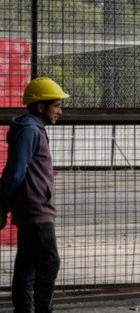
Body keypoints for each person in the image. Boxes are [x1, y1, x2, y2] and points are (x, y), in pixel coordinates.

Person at [0, 77, 69, 313]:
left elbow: (20, 170)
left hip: (32, 208)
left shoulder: (31, 129)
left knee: (27, 266)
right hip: (36, 210)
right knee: (50, 262)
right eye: (57, 105)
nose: (60, 111)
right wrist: (2, 207)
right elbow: (15, 172)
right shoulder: (30, 130)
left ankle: (23, 310)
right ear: (41, 106)